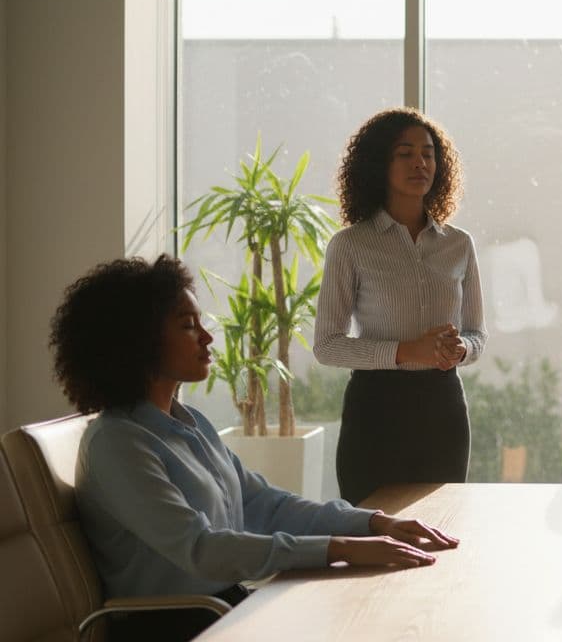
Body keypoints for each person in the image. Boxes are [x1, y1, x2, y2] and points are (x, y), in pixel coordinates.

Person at [54, 256, 458, 642]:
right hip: (175, 628)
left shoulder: (188, 424)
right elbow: (202, 549)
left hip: (222, 610)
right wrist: (340, 549)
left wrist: (371, 524)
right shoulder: (118, 443)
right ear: (138, 341)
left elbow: (264, 504)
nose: (208, 336)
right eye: (188, 325)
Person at [315, 107, 486, 505]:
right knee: (372, 530)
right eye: (404, 153)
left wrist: (461, 349)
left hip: (443, 407)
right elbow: (327, 345)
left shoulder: (459, 244)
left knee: (442, 525)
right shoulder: (350, 245)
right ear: (379, 163)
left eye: (427, 153)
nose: (420, 163)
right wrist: (408, 351)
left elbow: (478, 335)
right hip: (375, 409)